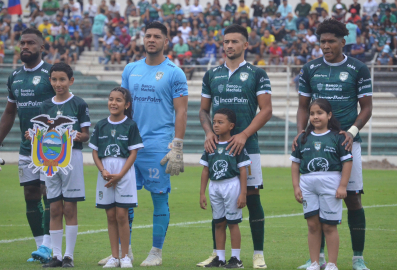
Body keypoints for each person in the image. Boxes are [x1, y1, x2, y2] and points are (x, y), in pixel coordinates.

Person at [293, 18, 373, 270]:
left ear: (343, 41)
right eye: (322, 42)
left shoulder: (358, 68)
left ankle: (358, 257)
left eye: (331, 41)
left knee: (352, 199)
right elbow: (303, 107)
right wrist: (300, 134)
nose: (326, 46)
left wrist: (350, 132)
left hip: (348, 143)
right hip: (316, 143)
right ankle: (317, 259)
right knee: (317, 200)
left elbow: (367, 107)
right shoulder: (310, 69)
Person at [198, 24, 272, 269]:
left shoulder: (257, 74)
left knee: (251, 197)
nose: (229, 45)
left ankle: (258, 253)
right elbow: (203, 110)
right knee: (218, 194)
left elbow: (267, 110)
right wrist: (209, 132)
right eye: (226, 41)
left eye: (234, 42)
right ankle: (217, 254)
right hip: (218, 148)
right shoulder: (212, 74)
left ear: (245, 45)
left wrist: (243, 134)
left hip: (248, 146)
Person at [117, 21, 188, 267]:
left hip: (159, 145)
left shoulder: (174, 72)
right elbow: (124, 107)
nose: (151, 40)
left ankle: (156, 252)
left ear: (166, 41)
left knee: (159, 198)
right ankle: (124, 253)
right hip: (131, 145)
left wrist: (177, 145)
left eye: (157, 36)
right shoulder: (130, 69)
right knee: (124, 200)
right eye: (148, 35)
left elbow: (181, 111)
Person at [0, 27, 56, 263]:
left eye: (30, 43)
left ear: (42, 47)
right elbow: (9, 111)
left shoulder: (51, 73)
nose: (25, 46)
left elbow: (64, 106)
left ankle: (50, 246)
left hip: (51, 148)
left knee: (49, 195)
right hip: (27, 148)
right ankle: (39, 248)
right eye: (22, 42)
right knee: (30, 194)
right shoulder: (14, 76)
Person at [25, 63, 90, 267]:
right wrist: (31, 136)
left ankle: (69, 256)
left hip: (72, 159)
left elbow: (87, 135)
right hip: (49, 162)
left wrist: (81, 136)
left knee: (70, 208)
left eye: (62, 79)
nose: (58, 83)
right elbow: (40, 136)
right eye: (54, 79)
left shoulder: (79, 104)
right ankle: (56, 256)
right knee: (54, 208)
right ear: (50, 81)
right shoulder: (45, 106)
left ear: (71, 81)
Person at [291, 98, 353, 270]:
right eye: (312, 113)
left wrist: (342, 186)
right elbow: (295, 164)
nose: (315, 117)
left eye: (320, 113)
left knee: (329, 225)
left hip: (330, 182)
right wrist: (296, 186)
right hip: (307, 183)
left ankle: (332, 264)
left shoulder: (338, 137)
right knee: (312, 225)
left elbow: (347, 163)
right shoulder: (303, 138)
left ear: (329, 115)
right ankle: (314, 263)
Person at [90, 87, 143, 269]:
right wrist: (103, 170)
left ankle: (125, 256)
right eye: (111, 99)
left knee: (122, 215)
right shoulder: (100, 125)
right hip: (105, 174)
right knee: (110, 215)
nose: (113, 103)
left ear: (126, 104)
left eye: (118, 100)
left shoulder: (131, 125)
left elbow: (133, 152)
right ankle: (114, 257)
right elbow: (95, 153)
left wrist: (120, 174)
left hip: (124, 174)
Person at [199, 108, 250, 268]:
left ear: (231, 125)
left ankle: (236, 258)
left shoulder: (236, 145)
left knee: (232, 223)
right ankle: (220, 258)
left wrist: (243, 193)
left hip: (231, 185)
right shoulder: (210, 145)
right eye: (214, 122)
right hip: (215, 186)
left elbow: (243, 170)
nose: (216, 125)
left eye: (220, 122)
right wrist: (202, 192)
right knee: (219, 223)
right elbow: (205, 170)